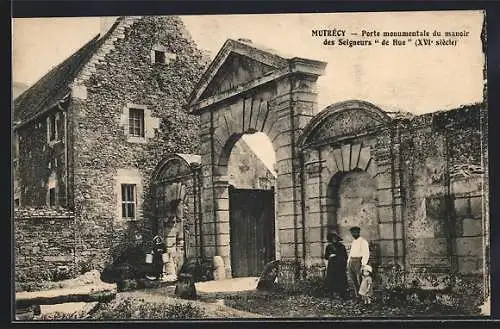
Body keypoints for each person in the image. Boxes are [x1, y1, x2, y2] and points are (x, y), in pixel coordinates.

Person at [324, 232, 348, 299]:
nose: (334, 239)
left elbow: (345, 256)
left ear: (337, 239)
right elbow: (326, 256)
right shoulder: (329, 247)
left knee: (341, 279)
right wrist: (330, 256)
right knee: (331, 279)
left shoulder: (342, 246)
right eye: (332, 238)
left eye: (335, 238)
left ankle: (342, 294)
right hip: (332, 265)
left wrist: (340, 259)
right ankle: (332, 294)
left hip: (340, 265)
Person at [347, 226, 370, 298]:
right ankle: (357, 295)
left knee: (360, 279)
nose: (354, 234)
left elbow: (366, 253)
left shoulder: (363, 241)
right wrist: (348, 262)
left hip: (358, 261)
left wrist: (363, 264)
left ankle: (364, 296)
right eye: (352, 233)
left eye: (355, 232)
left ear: (358, 232)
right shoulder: (353, 242)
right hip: (352, 261)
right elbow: (351, 253)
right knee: (353, 280)